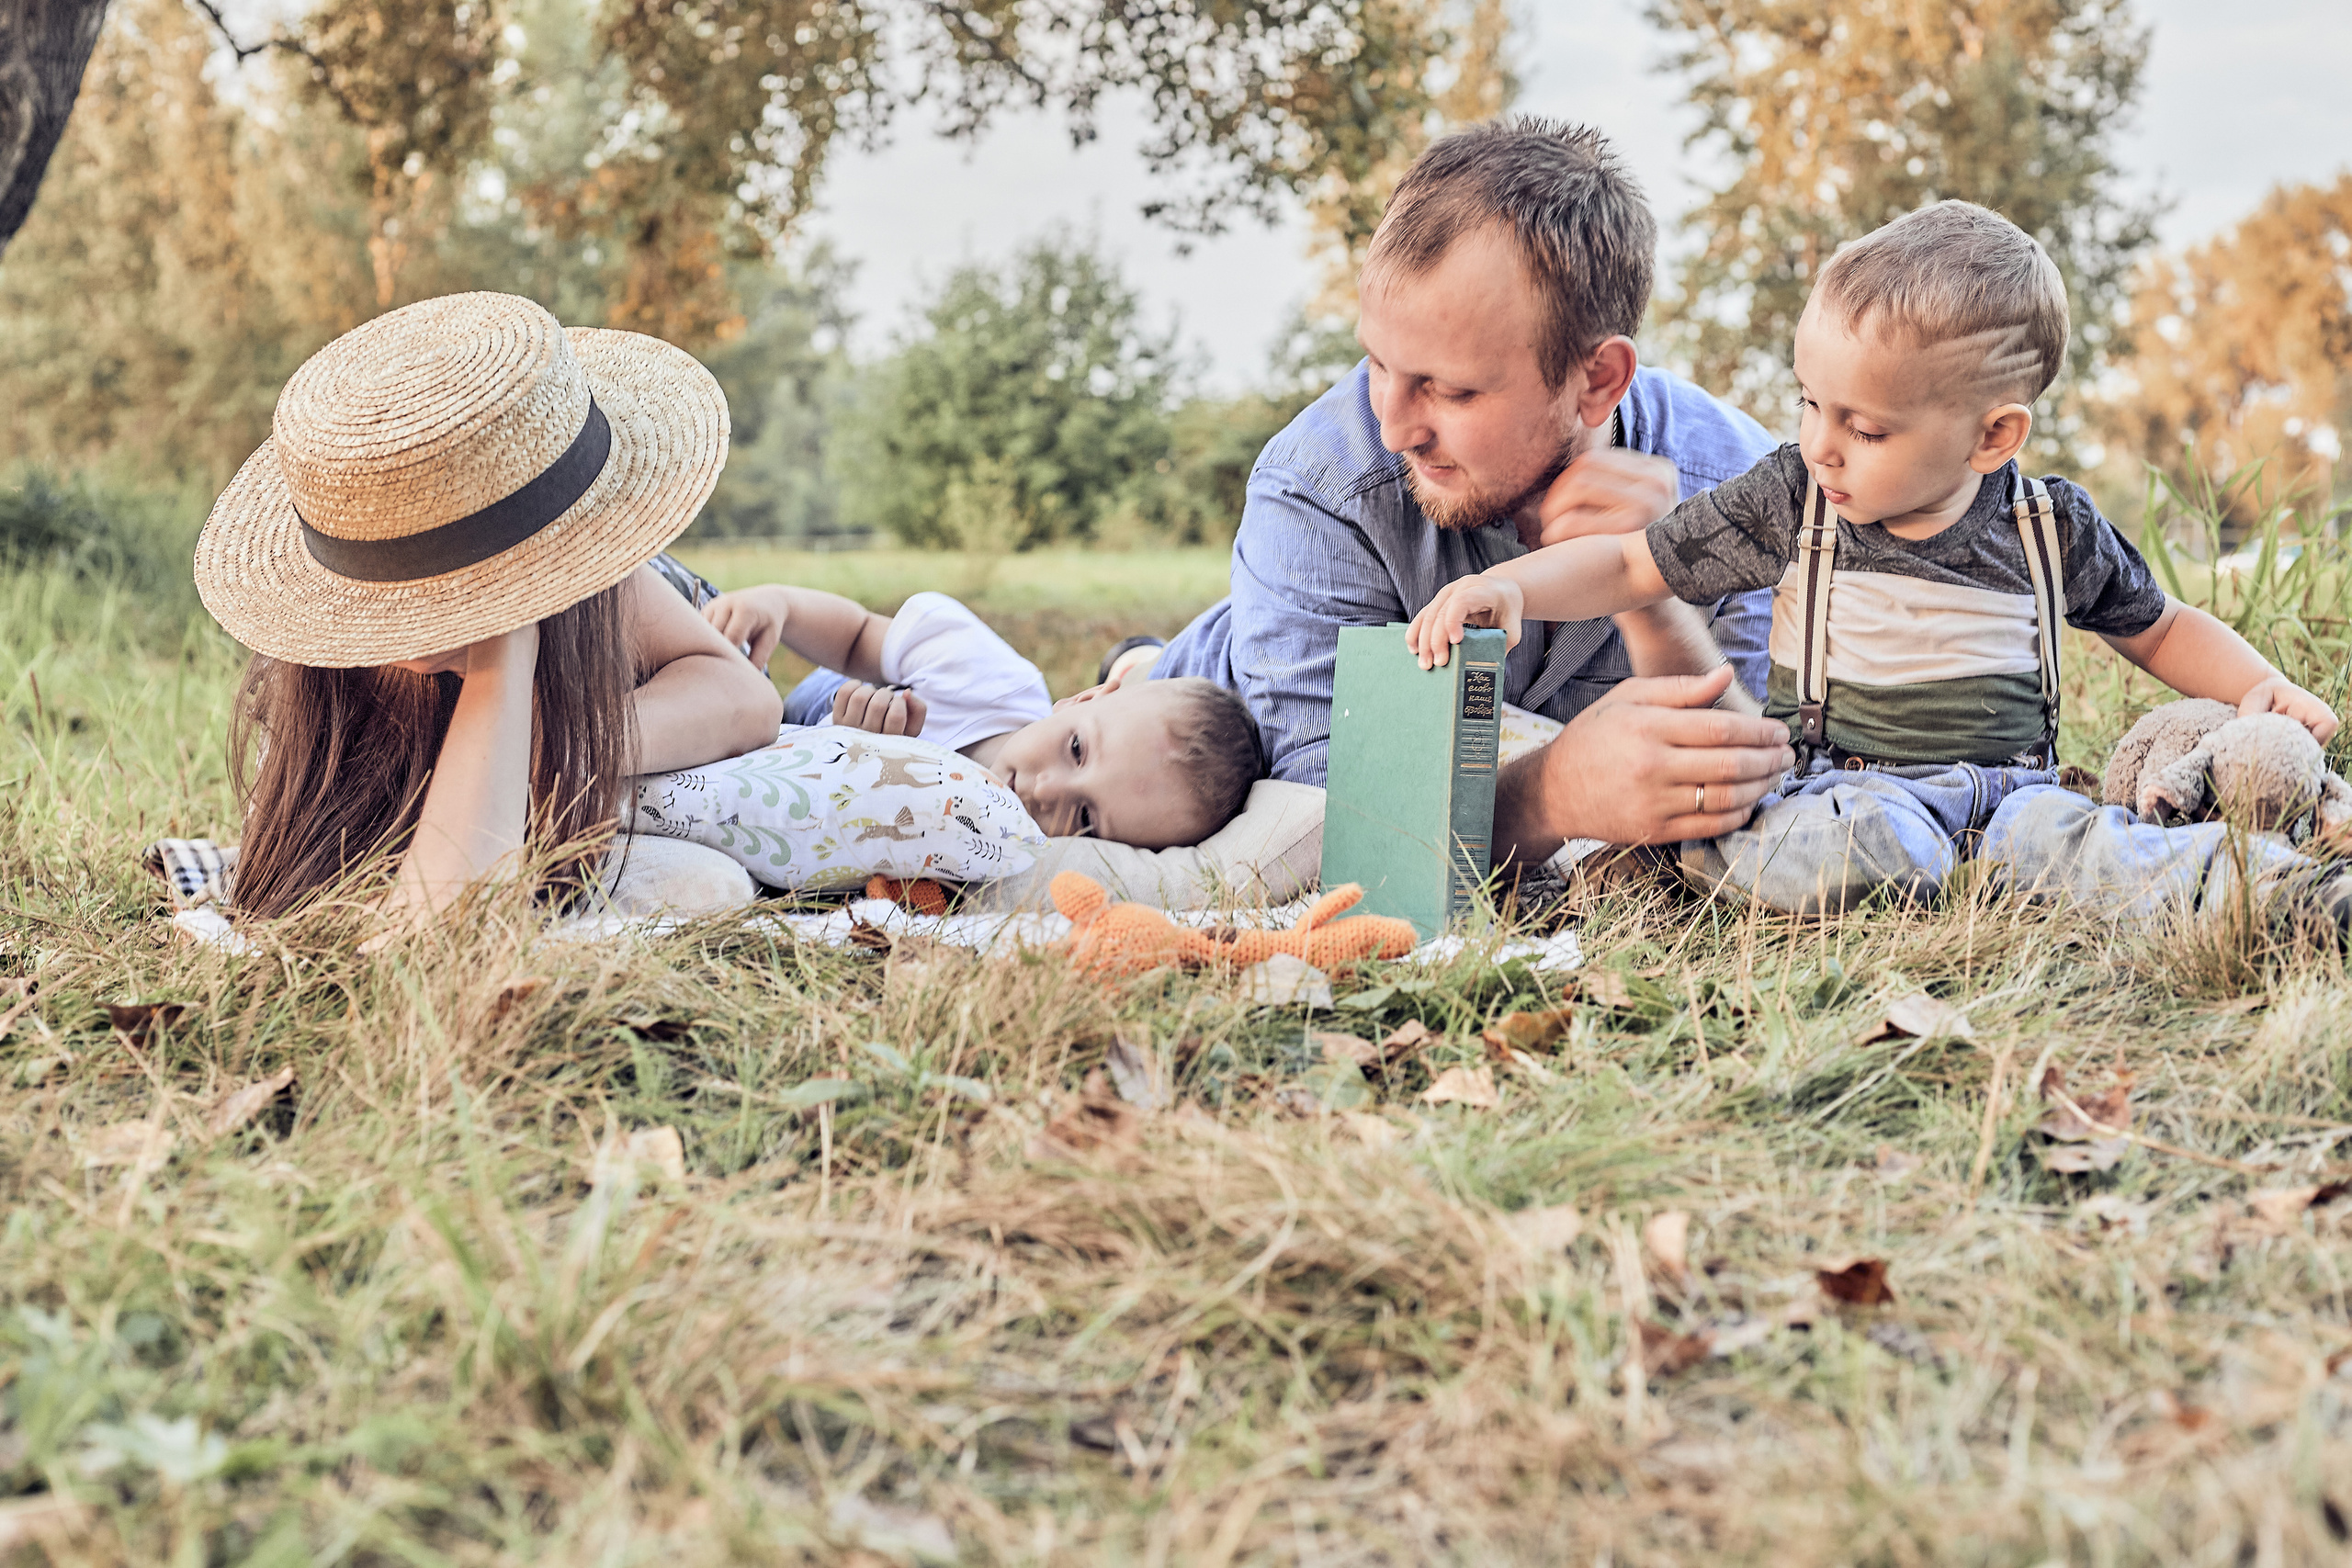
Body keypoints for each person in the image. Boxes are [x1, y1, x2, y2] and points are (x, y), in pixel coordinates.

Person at [1408, 199, 2345, 922]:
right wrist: (1506, 585)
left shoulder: (2044, 525)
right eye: (1809, 404)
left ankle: (2281, 897)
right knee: (1859, 846)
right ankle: (1680, 859)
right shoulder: (1791, 500)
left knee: (2099, 851)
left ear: (1991, 436)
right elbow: (1627, 565)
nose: (1822, 443)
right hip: (1836, 792)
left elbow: (2162, 628)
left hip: (2003, 799)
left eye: (1863, 426)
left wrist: (2259, 688)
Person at [1136, 117, 1798, 870]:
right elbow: (1329, 833)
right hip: (1198, 711)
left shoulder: (1736, 487)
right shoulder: (1321, 487)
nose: (1393, 429)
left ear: (1599, 379)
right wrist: (1549, 797)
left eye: (1449, 390)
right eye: (1378, 363)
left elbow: (1764, 789)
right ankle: (1135, 667)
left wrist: (1650, 591)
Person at [194, 291, 783, 919]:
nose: (424, 621)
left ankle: (789, 608)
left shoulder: (601, 583)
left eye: (452, 587)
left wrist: (546, 724)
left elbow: (746, 697)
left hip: (658, 631)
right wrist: (498, 664)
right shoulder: (321, 691)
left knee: (705, 875)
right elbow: (443, 927)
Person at [705, 583, 1263, 850]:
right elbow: (855, 639)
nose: (1046, 790)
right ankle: (1137, 655)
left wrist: (850, 767)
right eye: (1076, 749)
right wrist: (775, 605)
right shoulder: (985, 677)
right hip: (828, 695)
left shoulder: (984, 852)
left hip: (772, 761)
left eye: (1087, 817)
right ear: (1084, 700)